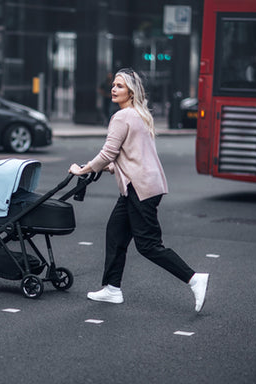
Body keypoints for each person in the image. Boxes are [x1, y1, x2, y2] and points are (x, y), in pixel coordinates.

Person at [69, 67, 209, 312]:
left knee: (148, 245)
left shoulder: (122, 117)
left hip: (140, 188)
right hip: (141, 185)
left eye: (120, 86)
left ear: (131, 92)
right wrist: (104, 168)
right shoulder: (138, 115)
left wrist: (85, 169)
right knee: (115, 233)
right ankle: (112, 289)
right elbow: (129, 156)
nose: (114, 89)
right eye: (113, 85)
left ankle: (194, 278)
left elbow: (108, 153)